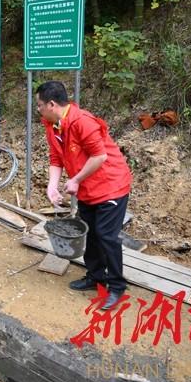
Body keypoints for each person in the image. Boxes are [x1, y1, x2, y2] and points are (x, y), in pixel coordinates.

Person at [36, 80, 132, 310]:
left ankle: (117, 286)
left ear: (51, 104)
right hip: (87, 188)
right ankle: (95, 277)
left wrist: (75, 179)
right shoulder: (52, 125)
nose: (37, 108)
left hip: (111, 185)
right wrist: (52, 185)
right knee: (91, 233)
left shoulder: (82, 122)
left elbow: (99, 157)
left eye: (39, 105)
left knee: (106, 236)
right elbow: (56, 158)